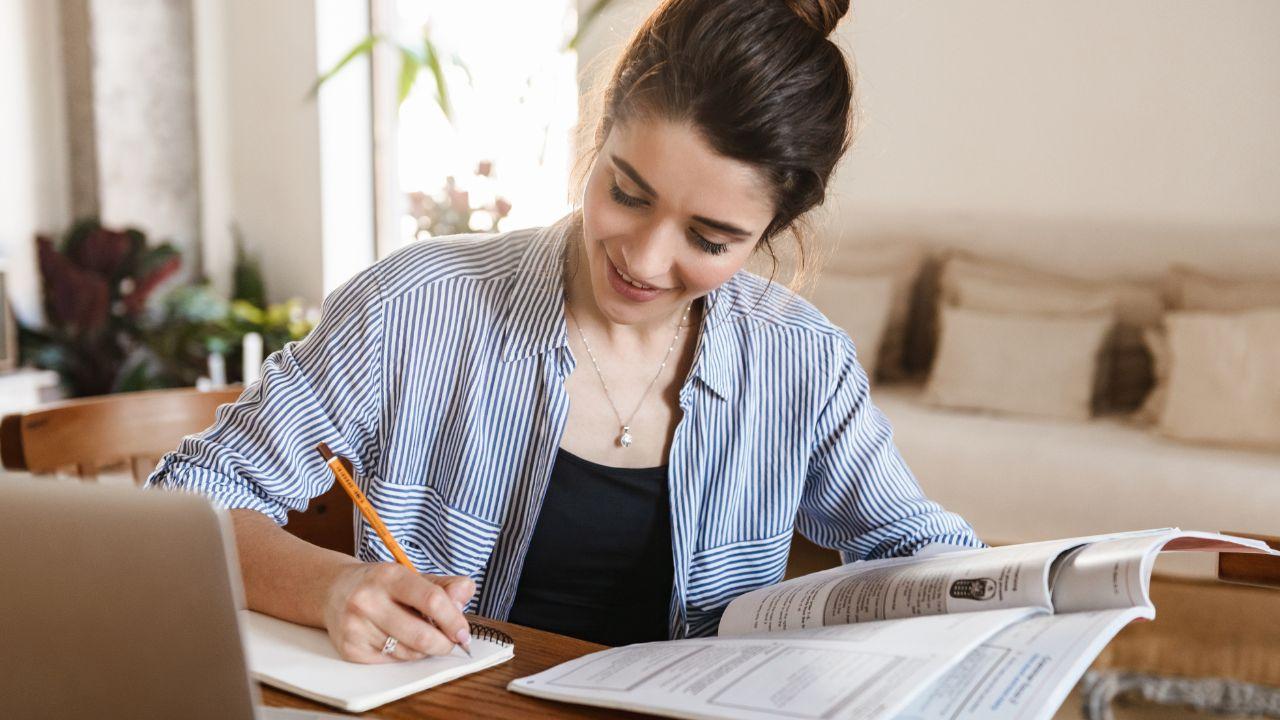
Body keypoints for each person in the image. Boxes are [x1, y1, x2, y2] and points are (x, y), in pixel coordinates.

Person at [148, 0, 982, 662]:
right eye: (627, 192)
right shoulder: (414, 307)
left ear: (770, 235)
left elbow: (919, 549)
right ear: (599, 131)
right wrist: (333, 587)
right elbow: (183, 508)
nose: (646, 261)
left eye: (708, 239)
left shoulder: (802, 361)